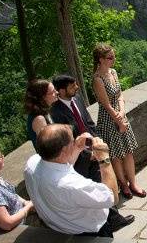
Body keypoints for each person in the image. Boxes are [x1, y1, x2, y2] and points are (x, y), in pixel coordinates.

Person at [50, 74, 134, 229]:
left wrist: (98, 144)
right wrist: (87, 152)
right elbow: (68, 138)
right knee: (89, 192)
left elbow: (89, 123)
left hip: (94, 151)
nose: (77, 87)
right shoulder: (55, 112)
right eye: (72, 86)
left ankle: (114, 219)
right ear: (61, 91)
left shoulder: (78, 100)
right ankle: (101, 223)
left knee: (102, 184)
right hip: (78, 157)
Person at [24, 124, 119, 237]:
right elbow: (112, 197)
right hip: (88, 234)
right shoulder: (73, 185)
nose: (74, 141)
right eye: (72, 140)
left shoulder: (32, 164)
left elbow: (61, 169)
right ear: (64, 150)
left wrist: (77, 148)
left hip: (59, 228)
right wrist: (104, 159)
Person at [92, 43, 145, 199]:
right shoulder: (97, 79)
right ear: (100, 60)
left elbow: (120, 95)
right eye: (110, 57)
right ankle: (123, 184)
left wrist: (122, 113)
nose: (113, 60)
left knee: (128, 152)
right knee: (115, 155)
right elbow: (106, 105)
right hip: (108, 120)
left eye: (114, 56)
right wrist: (119, 120)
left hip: (120, 115)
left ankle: (133, 183)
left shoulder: (113, 72)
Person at [25, 79, 58, 149]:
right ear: (43, 97)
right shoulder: (39, 119)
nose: (57, 92)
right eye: (52, 92)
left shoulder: (44, 112)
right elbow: (48, 147)